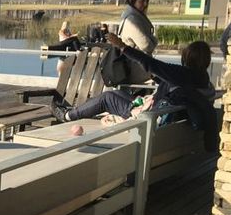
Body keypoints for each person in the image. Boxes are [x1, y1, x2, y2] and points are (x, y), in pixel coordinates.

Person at [50, 35, 218, 151]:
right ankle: (72, 113)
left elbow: (151, 63)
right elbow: (173, 85)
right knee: (116, 95)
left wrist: (122, 46)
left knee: (108, 97)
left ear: (187, 58)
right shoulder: (202, 78)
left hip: (150, 117)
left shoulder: (183, 74)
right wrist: (157, 78)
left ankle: (68, 116)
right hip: (163, 116)